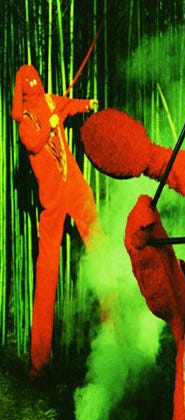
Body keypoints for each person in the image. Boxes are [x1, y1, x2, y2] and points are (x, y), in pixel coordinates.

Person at [11, 64, 100, 380]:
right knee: (47, 272)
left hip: (74, 186)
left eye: (35, 79)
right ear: (21, 91)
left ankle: (116, 331)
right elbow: (34, 143)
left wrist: (86, 105)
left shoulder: (50, 101)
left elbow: (68, 104)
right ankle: (39, 362)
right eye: (28, 83)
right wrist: (49, 125)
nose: (34, 84)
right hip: (51, 201)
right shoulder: (25, 122)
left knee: (100, 250)